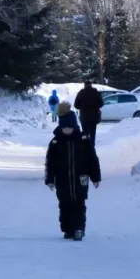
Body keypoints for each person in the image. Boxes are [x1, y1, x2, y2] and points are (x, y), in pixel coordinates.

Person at [45, 102, 101, 241]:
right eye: (64, 127)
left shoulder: (83, 140)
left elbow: (92, 159)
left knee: (79, 205)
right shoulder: (55, 142)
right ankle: (67, 229)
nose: (67, 130)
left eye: (70, 127)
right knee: (64, 205)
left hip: (80, 179)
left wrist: (95, 177)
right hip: (62, 180)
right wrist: (50, 180)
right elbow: (50, 163)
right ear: (60, 127)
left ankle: (79, 229)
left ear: (75, 126)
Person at [73, 80, 104, 146]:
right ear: (91, 85)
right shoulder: (96, 93)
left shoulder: (80, 93)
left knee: (84, 132)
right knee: (93, 132)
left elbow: (76, 105)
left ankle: (85, 145)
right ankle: (92, 145)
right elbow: (101, 104)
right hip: (94, 116)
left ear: (84, 85)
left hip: (84, 116)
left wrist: (81, 107)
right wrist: (95, 106)